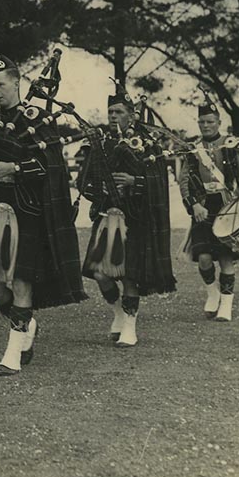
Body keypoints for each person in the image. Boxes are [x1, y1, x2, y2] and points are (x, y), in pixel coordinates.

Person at [0, 49, 86, 376]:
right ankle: (27, 324)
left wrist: (14, 168)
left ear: (17, 82)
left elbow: (52, 166)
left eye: (1, 85)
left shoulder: (36, 118)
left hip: (27, 211)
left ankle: (12, 355)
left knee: (20, 283)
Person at [77, 86, 176, 347]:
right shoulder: (99, 143)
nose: (112, 116)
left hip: (136, 216)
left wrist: (134, 181)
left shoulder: (148, 143)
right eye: (110, 111)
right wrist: (99, 189)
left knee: (130, 275)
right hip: (107, 216)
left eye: (118, 111)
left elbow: (159, 180)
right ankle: (119, 312)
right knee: (100, 274)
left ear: (132, 115)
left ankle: (130, 327)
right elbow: (83, 180)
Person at [177, 97, 239, 322]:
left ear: (218, 121)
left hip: (227, 206)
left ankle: (226, 305)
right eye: (202, 122)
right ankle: (212, 293)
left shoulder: (231, 144)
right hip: (203, 206)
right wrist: (193, 204)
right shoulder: (193, 148)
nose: (206, 126)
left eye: (210, 122)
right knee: (204, 257)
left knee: (225, 258)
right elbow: (184, 180)